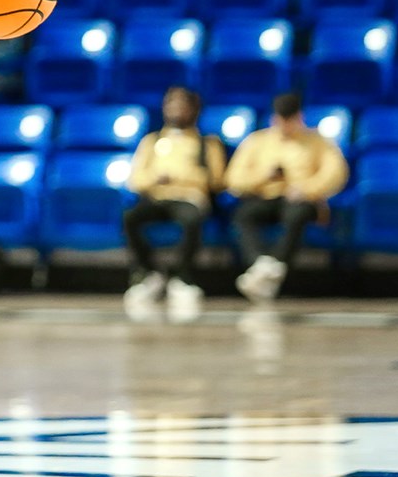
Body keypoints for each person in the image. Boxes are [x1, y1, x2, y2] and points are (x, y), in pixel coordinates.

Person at [226, 93, 349, 304]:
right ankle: (262, 264)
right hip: (265, 196)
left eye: (290, 120)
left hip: (301, 199)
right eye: (281, 119)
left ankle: (274, 265)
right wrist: (263, 176)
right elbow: (233, 179)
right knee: (243, 214)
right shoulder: (257, 141)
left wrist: (306, 189)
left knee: (296, 214)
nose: (285, 125)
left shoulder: (318, 141)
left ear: (299, 118)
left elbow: (336, 174)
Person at [122, 87, 226, 314]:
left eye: (181, 106)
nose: (175, 110)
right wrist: (155, 178)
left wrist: (178, 177)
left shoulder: (207, 144)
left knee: (192, 219)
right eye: (171, 105)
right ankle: (150, 272)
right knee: (130, 217)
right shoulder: (152, 141)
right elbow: (136, 179)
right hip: (157, 197)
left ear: (193, 110)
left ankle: (182, 276)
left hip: (189, 198)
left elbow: (215, 179)